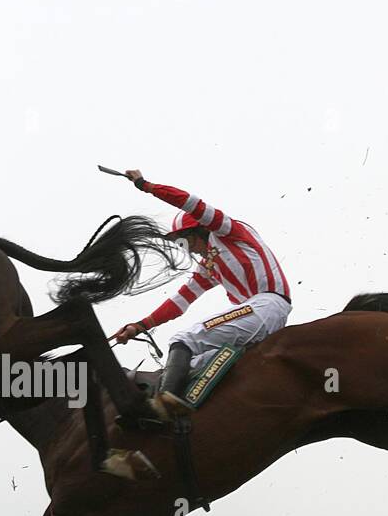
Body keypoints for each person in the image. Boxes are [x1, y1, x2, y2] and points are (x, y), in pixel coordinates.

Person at [111, 169, 292, 421]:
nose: (189, 250)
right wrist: (140, 326)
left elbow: (191, 203)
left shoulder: (228, 231)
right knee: (194, 364)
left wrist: (146, 185)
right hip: (259, 316)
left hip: (266, 305)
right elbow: (179, 302)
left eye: (185, 241)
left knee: (185, 339)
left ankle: (161, 410)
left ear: (199, 230)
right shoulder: (209, 266)